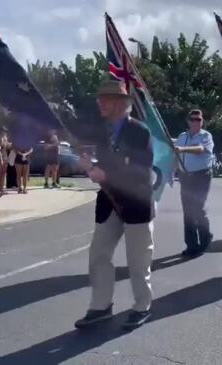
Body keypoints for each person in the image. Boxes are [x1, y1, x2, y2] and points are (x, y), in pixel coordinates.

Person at [74, 80, 154, 330]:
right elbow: (104, 165)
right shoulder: (103, 131)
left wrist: (107, 176)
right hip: (109, 202)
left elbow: (141, 172)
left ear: (120, 104)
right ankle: (101, 306)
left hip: (136, 204)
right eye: (99, 98)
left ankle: (142, 306)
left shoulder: (140, 132)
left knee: (138, 261)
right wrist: (90, 167)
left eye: (105, 99)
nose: (99, 102)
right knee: (99, 255)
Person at [175, 109, 215, 257]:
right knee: (188, 212)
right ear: (188, 121)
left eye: (199, 119)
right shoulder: (182, 136)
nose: (196, 122)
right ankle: (191, 245)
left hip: (201, 176)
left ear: (202, 121)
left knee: (198, 209)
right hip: (185, 177)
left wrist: (183, 149)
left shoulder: (206, 135)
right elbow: (175, 154)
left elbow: (201, 149)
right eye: (193, 119)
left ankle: (205, 238)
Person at [0, 127, 11, 197]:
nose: (5, 132)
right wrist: (1, 158)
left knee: (3, 173)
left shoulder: (5, 138)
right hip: (0, 156)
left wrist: (9, 144)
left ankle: (1, 188)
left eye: (5, 131)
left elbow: (6, 147)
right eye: (4, 131)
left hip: (5, 155)